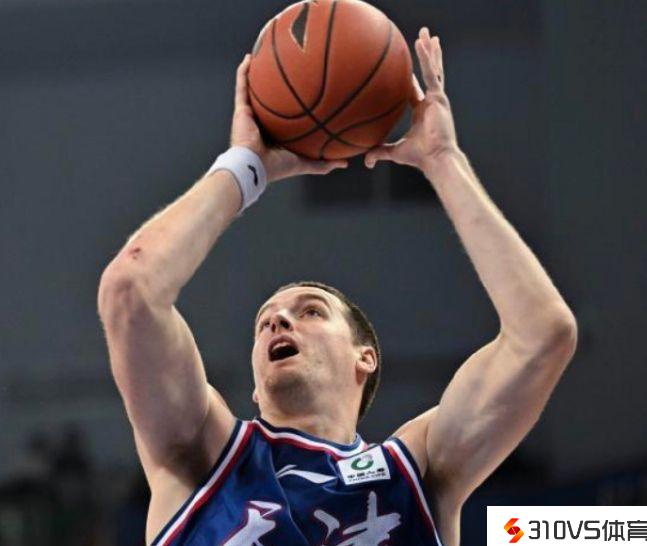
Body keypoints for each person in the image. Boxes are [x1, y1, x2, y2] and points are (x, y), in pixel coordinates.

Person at [98, 28, 577, 546]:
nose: (279, 321)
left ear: (365, 357)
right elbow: (131, 291)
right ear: (255, 387)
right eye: (264, 323)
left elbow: (543, 334)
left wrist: (443, 160)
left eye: (311, 311)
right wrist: (244, 167)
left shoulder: (417, 470)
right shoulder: (205, 455)